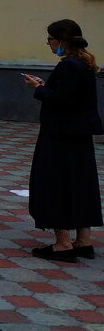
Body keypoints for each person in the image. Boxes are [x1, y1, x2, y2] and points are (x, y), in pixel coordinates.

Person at [23, 19, 102, 261]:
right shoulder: (85, 63)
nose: (48, 43)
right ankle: (83, 240)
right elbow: (72, 97)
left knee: (55, 184)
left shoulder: (68, 66)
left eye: (51, 39)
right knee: (79, 185)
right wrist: (48, 87)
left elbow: (61, 101)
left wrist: (38, 88)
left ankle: (62, 243)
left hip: (59, 136)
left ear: (63, 41)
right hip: (79, 136)